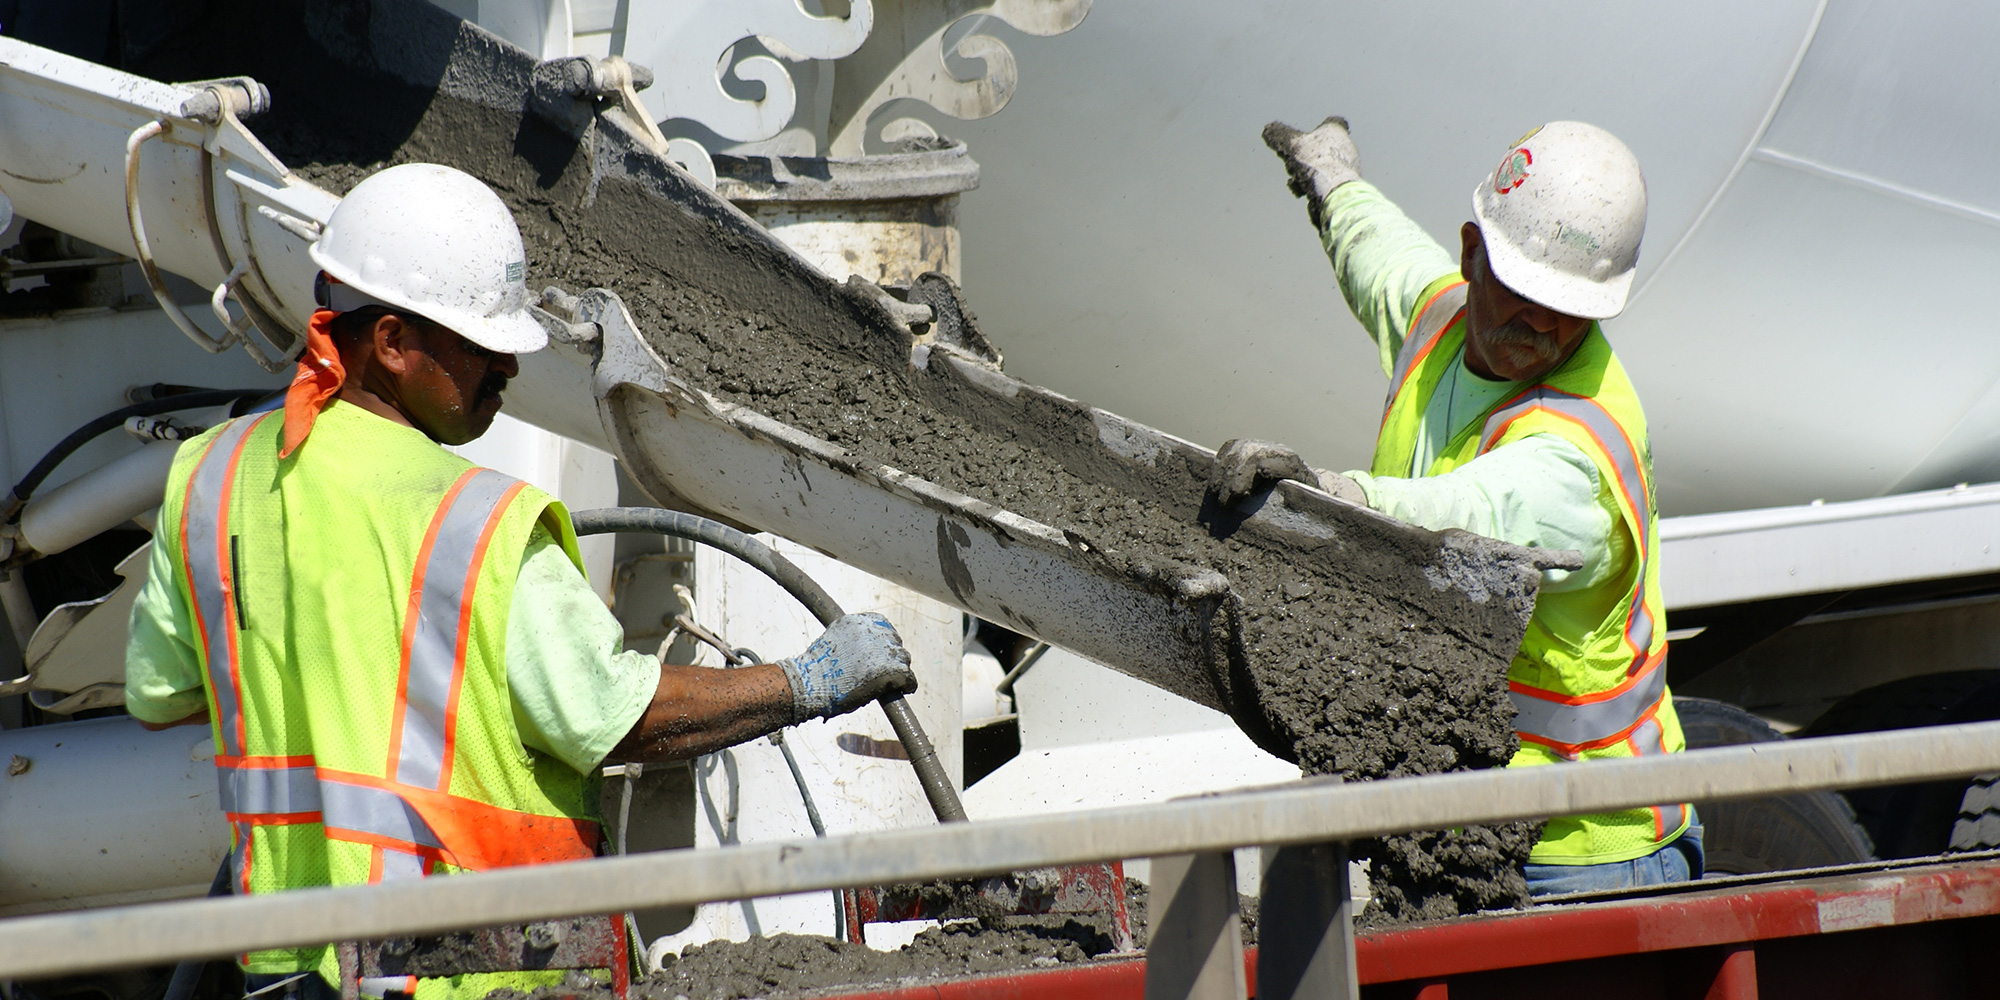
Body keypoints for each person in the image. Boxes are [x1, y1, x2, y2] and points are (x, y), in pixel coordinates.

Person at [122, 163, 918, 998]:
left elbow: (160, 692)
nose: (507, 368)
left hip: (284, 974)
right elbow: (613, 718)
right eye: (483, 345)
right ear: (391, 343)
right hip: (475, 975)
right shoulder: (481, 524)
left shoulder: (207, 480)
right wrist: (807, 682)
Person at [1217, 118, 1699, 894]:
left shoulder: (1579, 448)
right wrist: (1335, 182)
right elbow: (1385, 257)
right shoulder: (1442, 319)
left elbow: (1465, 515)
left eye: (1569, 308)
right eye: (1526, 292)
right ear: (1474, 255)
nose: (1541, 325)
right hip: (1461, 818)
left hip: (1585, 852)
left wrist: (1332, 496)